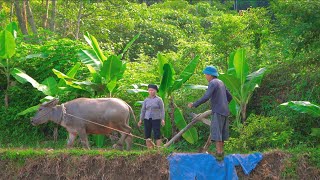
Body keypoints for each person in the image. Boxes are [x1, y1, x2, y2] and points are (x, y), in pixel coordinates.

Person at [188, 66, 232, 160]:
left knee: (216, 133)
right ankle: (222, 153)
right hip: (225, 111)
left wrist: (194, 104)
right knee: (222, 133)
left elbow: (206, 96)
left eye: (206, 75)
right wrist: (223, 103)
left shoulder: (212, 83)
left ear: (210, 75)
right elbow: (230, 97)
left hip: (217, 111)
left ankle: (219, 154)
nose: (205, 77)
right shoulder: (221, 82)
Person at [138, 84, 165, 148]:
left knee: (157, 133)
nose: (151, 92)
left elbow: (162, 110)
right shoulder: (146, 100)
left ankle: (159, 149)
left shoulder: (159, 100)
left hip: (156, 118)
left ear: (155, 91)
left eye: (152, 90)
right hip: (147, 118)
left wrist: (162, 119)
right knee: (147, 134)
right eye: (149, 90)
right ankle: (150, 149)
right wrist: (140, 120)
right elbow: (143, 110)